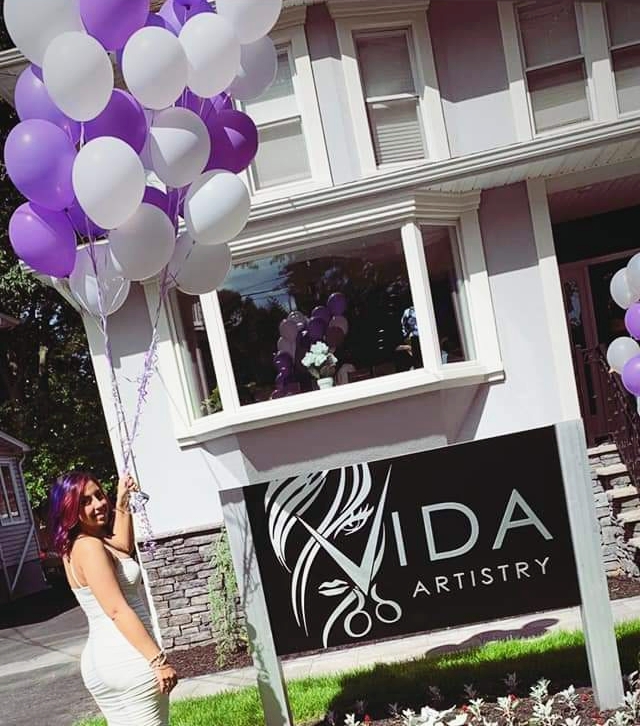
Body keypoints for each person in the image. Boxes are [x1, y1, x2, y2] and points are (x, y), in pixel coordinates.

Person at [48, 470, 177, 725]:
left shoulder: (80, 545)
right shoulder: (90, 546)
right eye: (86, 501)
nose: (98, 504)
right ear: (69, 509)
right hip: (129, 657)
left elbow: (123, 546)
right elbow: (117, 610)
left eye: (99, 495)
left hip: (103, 662)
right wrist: (158, 661)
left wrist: (122, 500)